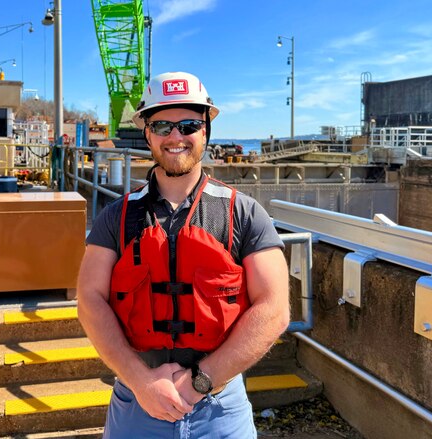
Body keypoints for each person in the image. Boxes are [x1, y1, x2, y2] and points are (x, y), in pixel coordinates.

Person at [77, 72, 290, 438]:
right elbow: (89, 300)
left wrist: (200, 381)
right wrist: (141, 382)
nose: (175, 137)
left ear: (206, 130)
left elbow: (274, 309)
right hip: (137, 404)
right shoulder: (117, 217)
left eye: (189, 124)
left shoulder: (245, 213)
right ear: (147, 133)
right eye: (162, 125)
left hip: (221, 410)